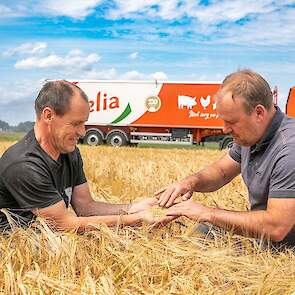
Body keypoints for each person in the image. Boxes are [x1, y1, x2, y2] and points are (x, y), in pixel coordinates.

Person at [0, 80, 171, 232]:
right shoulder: (24, 164)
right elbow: (62, 225)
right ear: (48, 115)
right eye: (75, 123)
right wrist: (136, 219)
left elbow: (86, 207)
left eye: (84, 123)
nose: (82, 132)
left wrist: (134, 207)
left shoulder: (69, 152)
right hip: (21, 255)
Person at [156, 69, 295, 247]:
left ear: (259, 113)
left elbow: (276, 227)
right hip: (266, 240)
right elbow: (221, 171)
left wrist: (207, 213)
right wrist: (190, 183)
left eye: (231, 122)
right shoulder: (252, 134)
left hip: (284, 251)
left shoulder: (288, 149)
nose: (224, 130)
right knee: (198, 237)